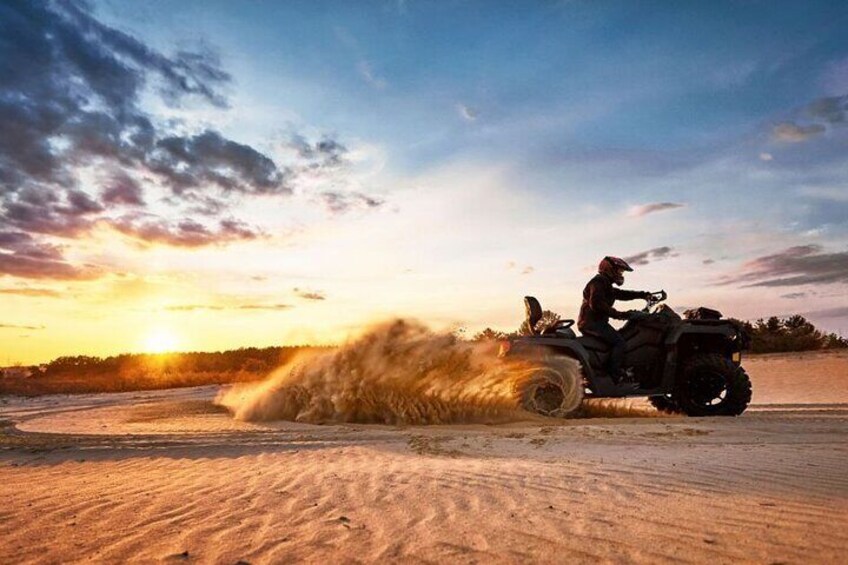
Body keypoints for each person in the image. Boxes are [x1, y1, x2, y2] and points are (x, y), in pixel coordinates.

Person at [578, 256, 651, 383]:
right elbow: (597, 304)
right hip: (592, 324)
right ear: (609, 269)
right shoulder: (598, 282)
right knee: (619, 342)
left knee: (618, 338)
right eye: (619, 271)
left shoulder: (605, 283)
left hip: (595, 323)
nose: (621, 274)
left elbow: (621, 294)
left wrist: (643, 294)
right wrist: (621, 315)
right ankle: (616, 375)